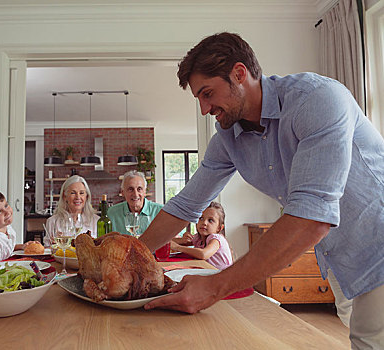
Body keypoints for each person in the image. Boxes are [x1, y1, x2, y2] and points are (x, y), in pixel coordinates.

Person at [139, 32, 384, 349]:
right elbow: (186, 205)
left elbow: (312, 217)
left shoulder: (318, 100)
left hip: (376, 243)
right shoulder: (229, 138)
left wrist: (214, 287)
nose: (204, 109)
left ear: (239, 74)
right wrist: (129, 257)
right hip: (339, 256)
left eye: (208, 93)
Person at [171, 202, 232, 270]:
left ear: (219, 228)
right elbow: (169, 242)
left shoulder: (216, 239)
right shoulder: (198, 238)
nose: (204, 223)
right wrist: (182, 240)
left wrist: (177, 247)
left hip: (222, 276)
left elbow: (203, 254)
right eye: (201, 218)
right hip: (208, 273)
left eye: (210, 220)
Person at [44, 175, 99, 246]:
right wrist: (53, 245)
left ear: (86, 196)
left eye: (81, 193)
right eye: (73, 193)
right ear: (65, 196)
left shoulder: (97, 221)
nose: (78, 197)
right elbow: (47, 250)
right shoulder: (52, 222)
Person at [107, 170, 163, 235]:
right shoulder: (112, 213)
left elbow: (173, 239)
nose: (135, 194)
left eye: (139, 189)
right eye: (130, 189)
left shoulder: (160, 211)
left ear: (145, 192)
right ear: (122, 192)